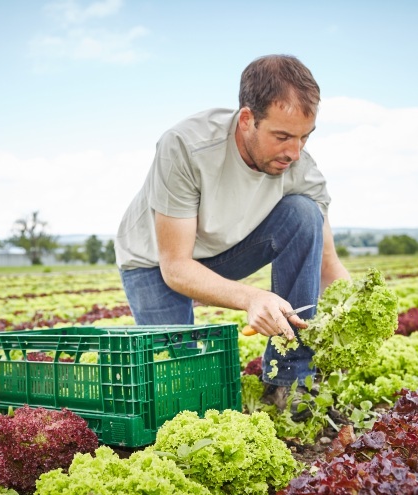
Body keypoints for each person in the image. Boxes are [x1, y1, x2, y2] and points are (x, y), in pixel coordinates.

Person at [115, 54, 350, 417]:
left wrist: (352, 310)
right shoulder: (185, 147)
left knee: (305, 213)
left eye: (305, 136)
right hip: (155, 263)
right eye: (283, 136)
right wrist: (251, 298)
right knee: (184, 396)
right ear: (246, 120)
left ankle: (290, 380)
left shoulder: (299, 164)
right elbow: (176, 267)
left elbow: (327, 262)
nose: (294, 152)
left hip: (227, 250)